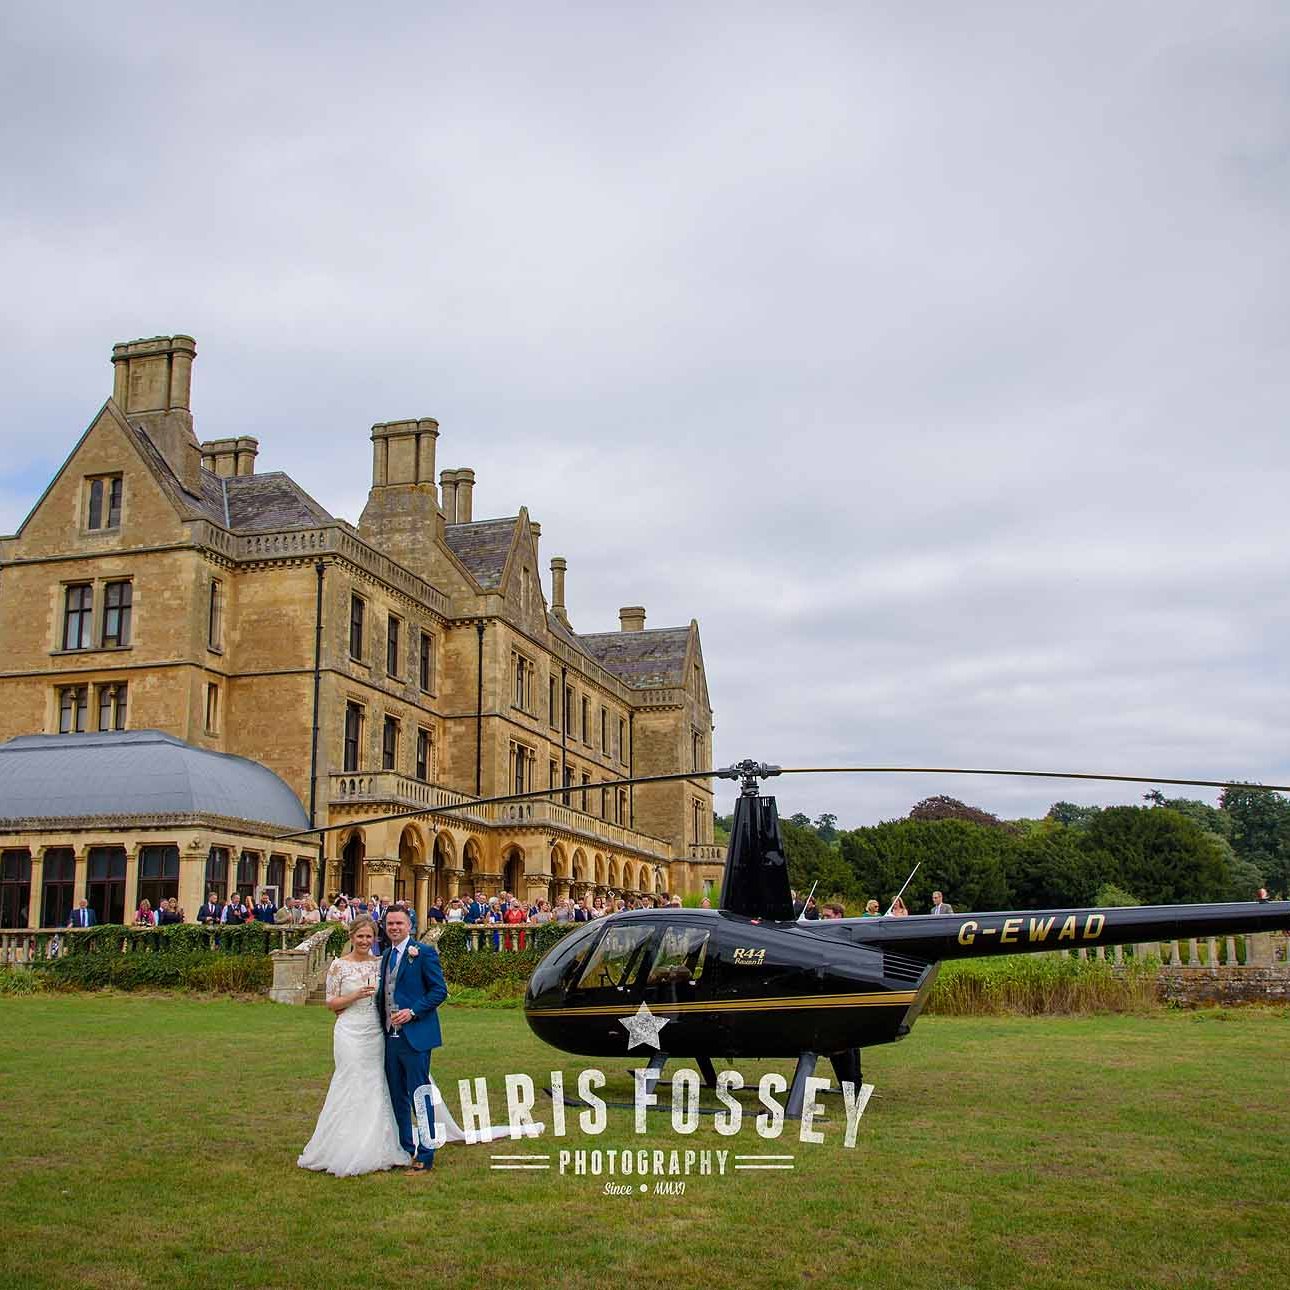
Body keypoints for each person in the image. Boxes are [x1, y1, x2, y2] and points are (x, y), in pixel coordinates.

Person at [297, 916, 413, 1177]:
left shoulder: (380, 963)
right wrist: (354, 996)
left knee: (375, 1081)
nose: (364, 941)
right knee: (349, 1079)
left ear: (374, 938)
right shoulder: (339, 966)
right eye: (360, 936)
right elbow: (331, 1003)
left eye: (369, 936)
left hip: (374, 1031)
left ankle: (378, 1143)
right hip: (349, 1030)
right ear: (351, 937)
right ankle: (342, 1143)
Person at [375, 907, 448, 1173]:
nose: (394, 927)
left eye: (399, 923)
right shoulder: (385, 955)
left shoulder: (423, 953)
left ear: (410, 926)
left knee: (419, 1094)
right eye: (390, 923)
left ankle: (426, 1154)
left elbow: (439, 991)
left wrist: (413, 1012)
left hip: (415, 1036)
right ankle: (405, 1148)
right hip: (390, 1037)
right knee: (397, 1095)